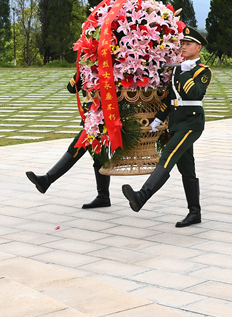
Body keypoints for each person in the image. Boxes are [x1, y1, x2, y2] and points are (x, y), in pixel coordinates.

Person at [122, 27, 211, 227]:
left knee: (168, 156)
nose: (183, 47)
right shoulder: (178, 69)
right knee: (187, 169)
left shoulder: (202, 71)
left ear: (198, 47)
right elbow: (172, 97)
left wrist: (186, 73)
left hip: (192, 123)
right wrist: (158, 118)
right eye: (182, 43)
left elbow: (193, 94)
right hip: (177, 122)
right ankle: (194, 212)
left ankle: (141, 196)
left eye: (188, 44)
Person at [25, 72, 111, 209]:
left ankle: (47, 180)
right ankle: (103, 196)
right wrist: (80, 72)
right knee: (99, 157)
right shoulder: (86, 70)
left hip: (102, 119)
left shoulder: (103, 68)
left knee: (78, 148)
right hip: (91, 119)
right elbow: (71, 88)